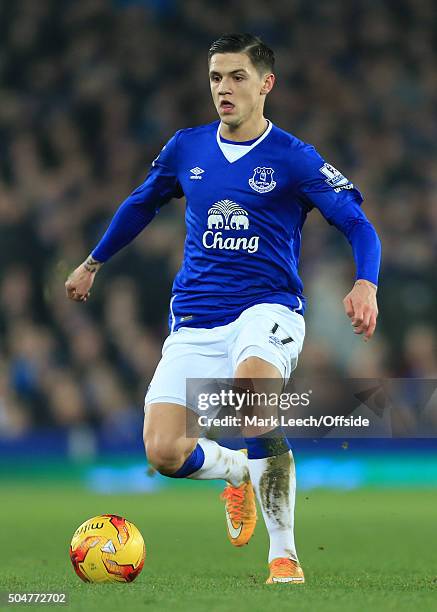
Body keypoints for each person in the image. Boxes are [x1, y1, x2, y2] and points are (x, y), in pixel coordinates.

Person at [65, 33, 381, 584]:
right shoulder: (187, 147)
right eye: (216, 77)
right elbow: (141, 204)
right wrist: (93, 262)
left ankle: (283, 554)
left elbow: (358, 222)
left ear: (266, 84)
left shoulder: (294, 157)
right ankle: (236, 471)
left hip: (268, 309)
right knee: (162, 452)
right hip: (194, 317)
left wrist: (365, 282)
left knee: (251, 406)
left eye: (237, 77)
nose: (224, 89)